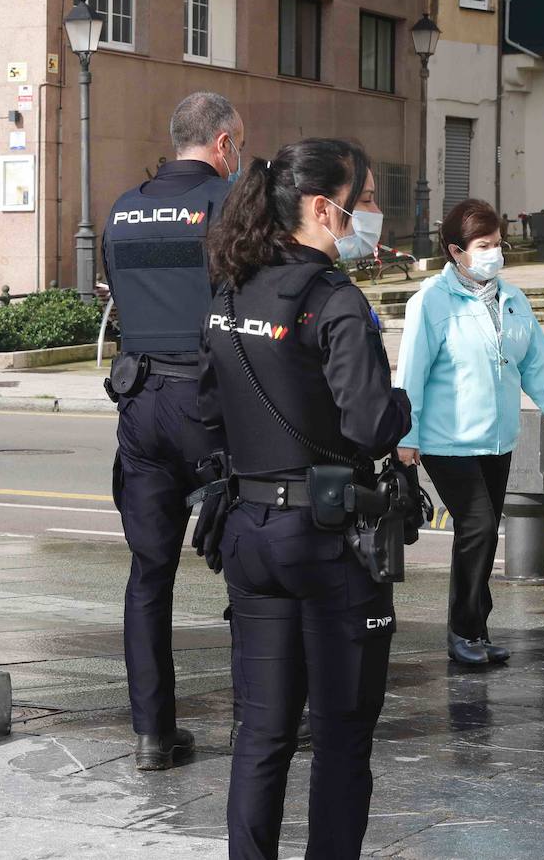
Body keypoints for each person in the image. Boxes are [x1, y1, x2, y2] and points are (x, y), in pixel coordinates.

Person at [199, 138, 411, 858]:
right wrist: (403, 407)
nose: (371, 213)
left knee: (260, 731)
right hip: (327, 541)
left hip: (250, 532)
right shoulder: (335, 301)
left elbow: (207, 407)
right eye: (367, 198)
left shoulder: (231, 290)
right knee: (343, 737)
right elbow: (370, 424)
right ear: (324, 208)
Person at [101, 91, 243, 771]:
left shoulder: (123, 210)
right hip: (211, 404)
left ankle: (152, 735)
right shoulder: (226, 205)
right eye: (236, 145)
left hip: (141, 406)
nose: (237, 156)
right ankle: (259, 720)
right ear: (220, 143)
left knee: (148, 575)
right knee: (251, 565)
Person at [394, 198, 544, 665]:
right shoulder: (431, 303)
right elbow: (411, 374)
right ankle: (463, 630)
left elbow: (538, 363)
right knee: (477, 526)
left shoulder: (512, 300)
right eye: (483, 245)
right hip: (446, 440)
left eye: (498, 244)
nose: (494, 253)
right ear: (456, 251)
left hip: (497, 440)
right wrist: (405, 435)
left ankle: (475, 628)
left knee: (484, 529)